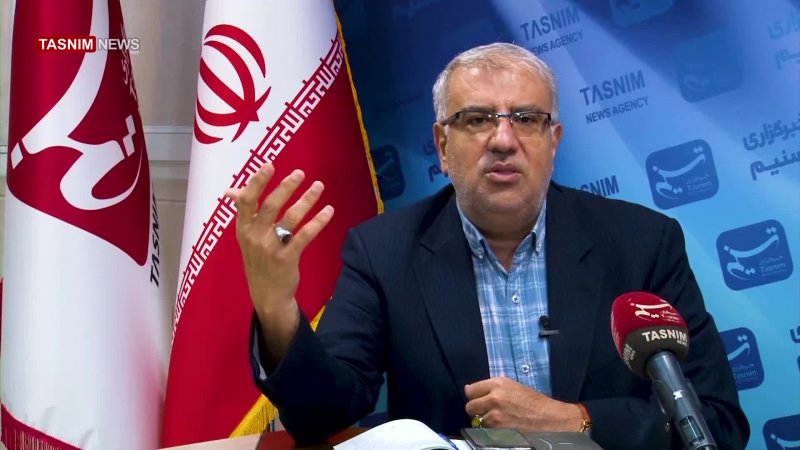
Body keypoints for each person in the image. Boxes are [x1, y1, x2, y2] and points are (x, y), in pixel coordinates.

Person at [226, 42, 749, 449]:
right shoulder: (383, 252)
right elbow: (321, 418)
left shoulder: (642, 242)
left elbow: (716, 424)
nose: (502, 140)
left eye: (526, 119)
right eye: (476, 119)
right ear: (442, 146)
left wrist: (575, 421)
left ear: (553, 141)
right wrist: (277, 312)